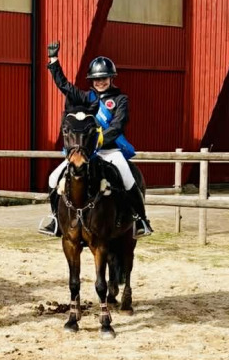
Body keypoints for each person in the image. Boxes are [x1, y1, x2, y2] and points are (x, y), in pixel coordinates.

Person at [38, 41, 152, 238]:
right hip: (86, 152)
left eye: (104, 78)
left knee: (127, 178)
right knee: (53, 178)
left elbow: (118, 125)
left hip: (110, 150)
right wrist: (53, 61)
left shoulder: (120, 99)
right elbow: (64, 86)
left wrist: (98, 141)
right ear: (92, 80)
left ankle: (141, 219)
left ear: (110, 78)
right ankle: (56, 219)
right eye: (96, 79)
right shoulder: (86, 97)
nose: (100, 82)